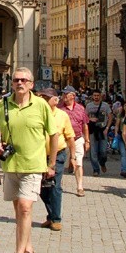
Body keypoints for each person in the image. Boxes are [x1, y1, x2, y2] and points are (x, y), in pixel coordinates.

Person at [0, 67, 58, 253]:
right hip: (11, 165)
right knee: (19, 210)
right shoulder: (3, 105)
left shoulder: (41, 105)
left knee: (25, 208)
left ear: (31, 84)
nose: (19, 83)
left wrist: (51, 163)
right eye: (16, 80)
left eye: (24, 80)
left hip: (33, 165)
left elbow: (53, 135)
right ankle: (29, 247)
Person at [38, 88, 75, 232]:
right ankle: (51, 214)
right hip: (39, 155)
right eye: (43, 98)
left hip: (58, 155)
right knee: (40, 188)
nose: (45, 101)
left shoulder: (62, 115)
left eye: (48, 98)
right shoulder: (38, 114)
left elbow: (70, 136)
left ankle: (56, 219)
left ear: (55, 100)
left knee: (55, 186)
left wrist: (73, 156)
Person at [59, 85, 89, 196]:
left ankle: (80, 187)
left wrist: (87, 141)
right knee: (62, 163)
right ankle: (58, 185)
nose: (64, 96)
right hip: (64, 139)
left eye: (66, 94)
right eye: (63, 94)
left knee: (79, 163)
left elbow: (85, 125)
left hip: (77, 139)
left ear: (73, 96)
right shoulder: (59, 107)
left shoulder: (80, 108)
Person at [86, 90, 112, 177]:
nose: (96, 97)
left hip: (103, 130)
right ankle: (96, 169)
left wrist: (107, 128)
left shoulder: (105, 105)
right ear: (92, 96)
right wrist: (90, 119)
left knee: (103, 151)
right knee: (93, 152)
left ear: (100, 96)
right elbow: (85, 117)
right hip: (93, 131)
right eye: (95, 95)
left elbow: (110, 116)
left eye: (98, 95)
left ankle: (102, 163)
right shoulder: (89, 106)